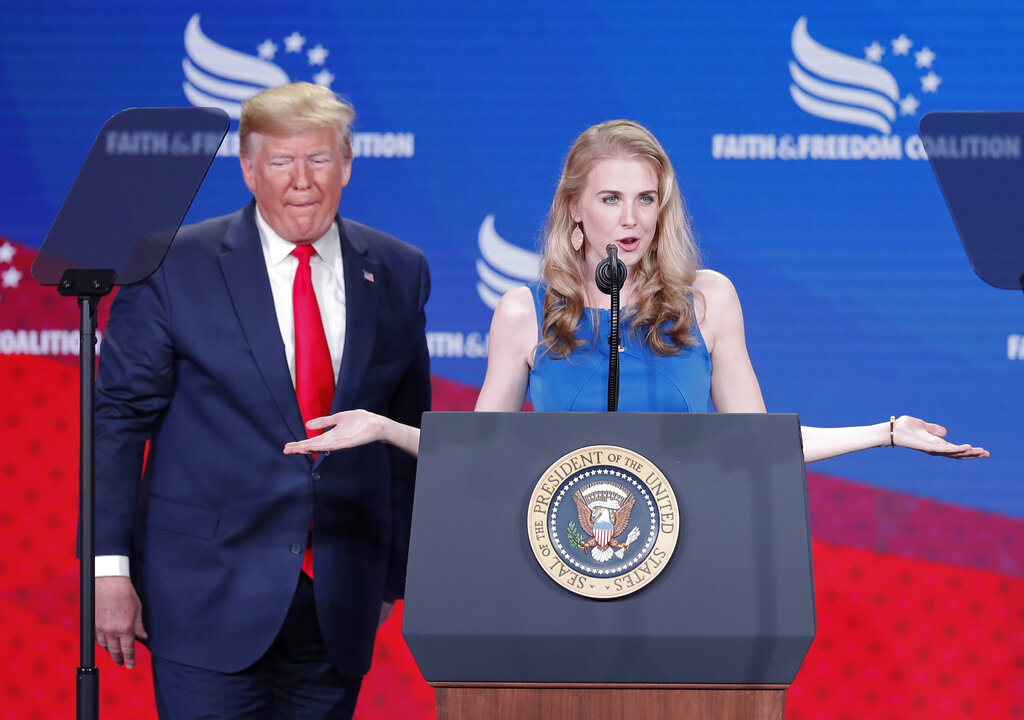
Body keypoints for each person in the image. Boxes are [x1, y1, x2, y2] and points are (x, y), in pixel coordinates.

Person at [285, 119, 986, 464]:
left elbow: (759, 445)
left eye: (646, 199)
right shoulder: (524, 311)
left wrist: (887, 434)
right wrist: (382, 428)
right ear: (575, 210)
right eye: (612, 198)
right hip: (558, 561)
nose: (631, 218)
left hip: (692, 556)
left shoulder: (708, 300)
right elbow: (478, 455)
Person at [93, 82, 431, 719]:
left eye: (319, 159)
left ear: (348, 165)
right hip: (204, 597)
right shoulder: (172, 264)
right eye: (280, 161)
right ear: (249, 169)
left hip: (339, 600)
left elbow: (406, 431)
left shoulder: (399, 270)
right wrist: (108, 570)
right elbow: (116, 422)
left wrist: (393, 574)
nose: (301, 180)